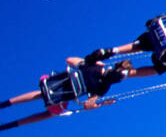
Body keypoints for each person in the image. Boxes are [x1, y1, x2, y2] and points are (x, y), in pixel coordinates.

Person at [0, 56, 135, 131]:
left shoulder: (97, 65)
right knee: (50, 114)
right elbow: (87, 105)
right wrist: (102, 104)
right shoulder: (104, 87)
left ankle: (5, 104)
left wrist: (85, 62)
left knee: (41, 93)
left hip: (52, 84)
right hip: (59, 99)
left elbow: (69, 60)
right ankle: (9, 125)